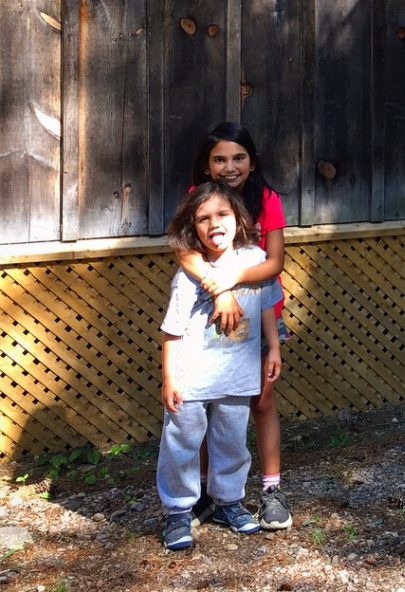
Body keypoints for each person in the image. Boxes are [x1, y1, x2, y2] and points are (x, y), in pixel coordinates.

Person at [175, 122, 292, 531]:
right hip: (210, 315)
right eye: (219, 158)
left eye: (238, 157)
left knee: (260, 400)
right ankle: (209, 493)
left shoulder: (268, 199)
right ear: (206, 167)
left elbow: (274, 262)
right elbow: (186, 252)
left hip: (259, 311)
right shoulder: (200, 199)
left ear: (252, 162)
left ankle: (272, 491)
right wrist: (218, 288)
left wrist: (231, 281)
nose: (230, 166)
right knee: (211, 401)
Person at [157, 182, 281, 551]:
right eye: (203, 218)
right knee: (181, 445)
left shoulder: (255, 260)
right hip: (192, 380)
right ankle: (178, 512)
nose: (214, 224)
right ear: (192, 228)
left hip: (238, 376)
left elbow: (267, 306)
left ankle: (229, 503)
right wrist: (169, 378)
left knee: (231, 443)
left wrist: (273, 347)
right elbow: (172, 331)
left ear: (238, 217)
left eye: (222, 214)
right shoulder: (189, 276)